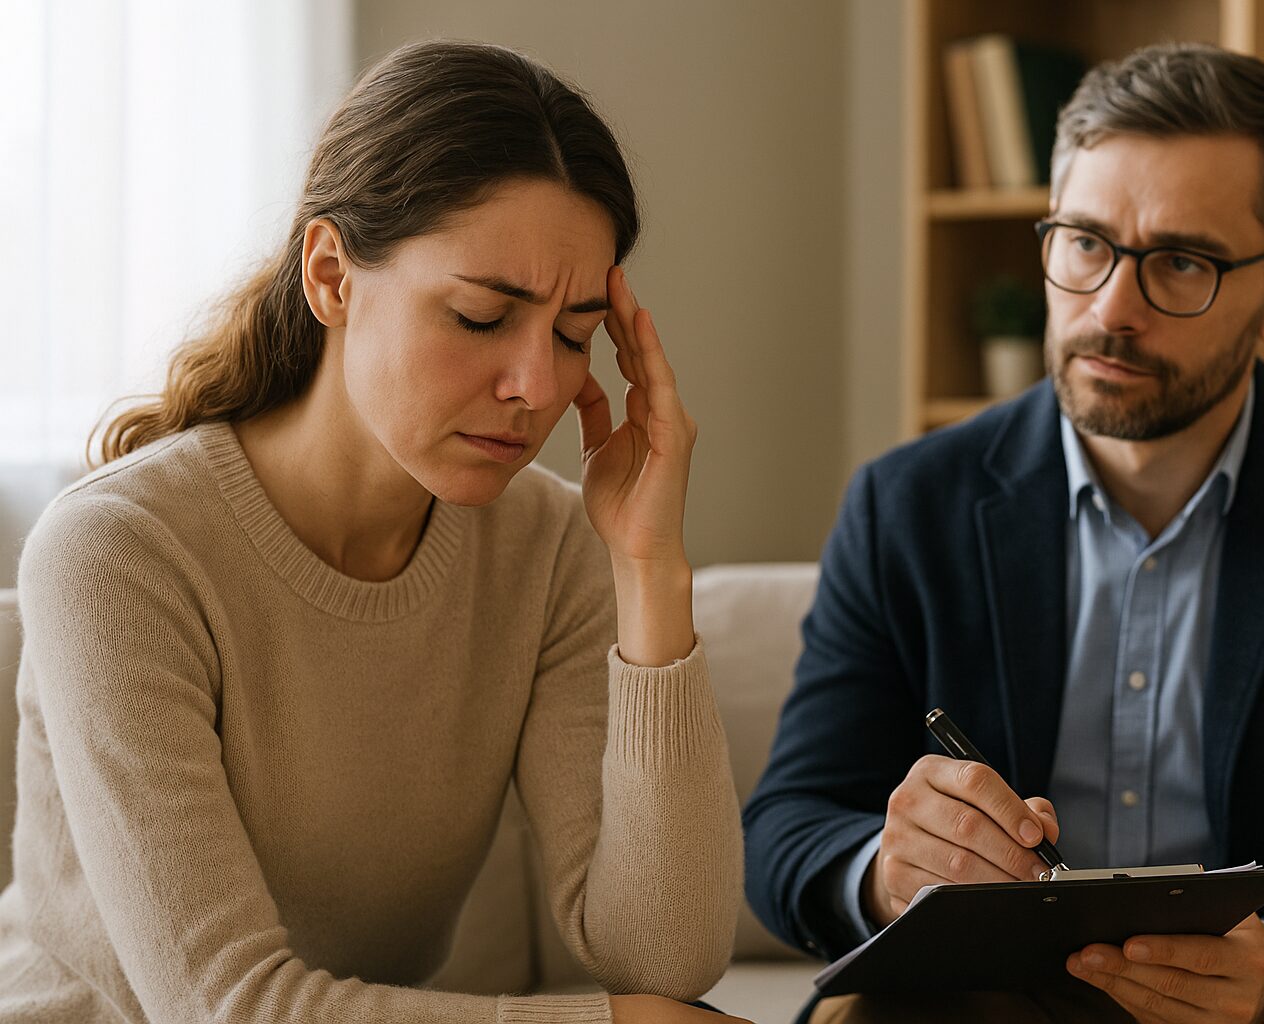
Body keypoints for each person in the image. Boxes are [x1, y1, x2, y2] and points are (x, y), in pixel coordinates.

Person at [744, 42, 1264, 1024]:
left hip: (1255, 1005)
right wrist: (885, 871)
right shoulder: (907, 503)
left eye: (1181, 263)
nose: (1112, 309)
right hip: (989, 1000)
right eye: (1084, 242)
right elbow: (785, 827)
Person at [0, 41, 748, 1024]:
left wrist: (649, 572)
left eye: (573, 334)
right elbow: (224, 1005)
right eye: (483, 316)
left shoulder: (549, 548)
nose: (537, 386)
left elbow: (664, 957)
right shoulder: (116, 552)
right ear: (331, 277)